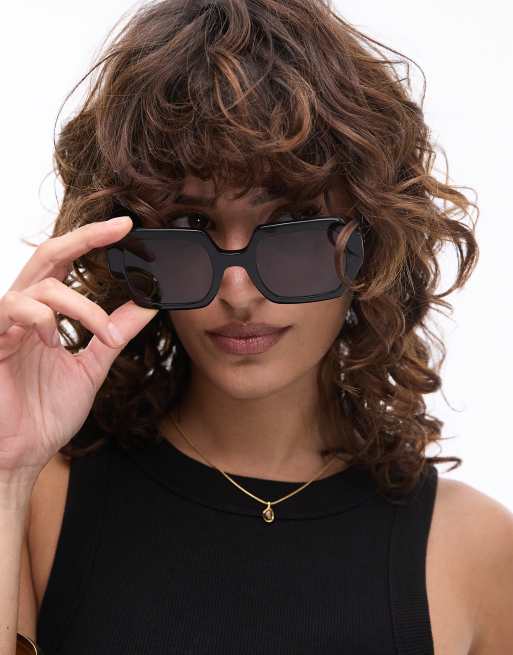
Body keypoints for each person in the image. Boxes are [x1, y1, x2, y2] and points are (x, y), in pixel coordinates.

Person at [1, 1, 512, 653]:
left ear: (372, 241)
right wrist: (6, 472)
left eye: (289, 226)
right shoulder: (42, 497)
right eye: (190, 227)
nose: (237, 291)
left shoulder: (473, 553)